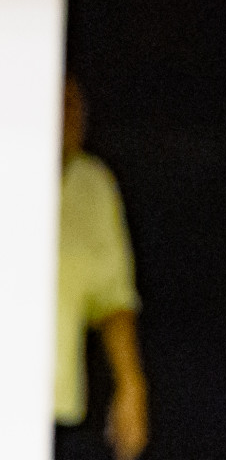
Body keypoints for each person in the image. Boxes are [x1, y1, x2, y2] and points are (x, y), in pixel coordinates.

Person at [55, 76, 149, 460]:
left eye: (75, 107)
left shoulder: (91, 186)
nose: (70, 117)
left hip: (52, 403)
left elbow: (113, 295)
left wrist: (131, 385)